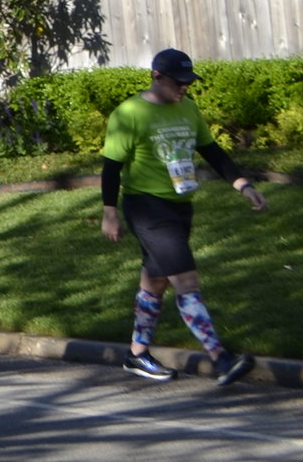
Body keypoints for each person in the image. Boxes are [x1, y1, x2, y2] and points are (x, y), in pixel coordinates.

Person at [101, 47, 264, 386]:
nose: (184, 89)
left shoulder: (188, 108)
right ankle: (220, 358)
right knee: (186, 281)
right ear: (157, 77)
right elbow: (111, 168)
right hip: (147, 207)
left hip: (179, 206)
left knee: (155, 280)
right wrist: (109, 213)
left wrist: (243, 184)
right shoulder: (129, 113)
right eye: (178, 82)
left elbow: (212, 151)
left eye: (188, 83)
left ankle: (137, 354)